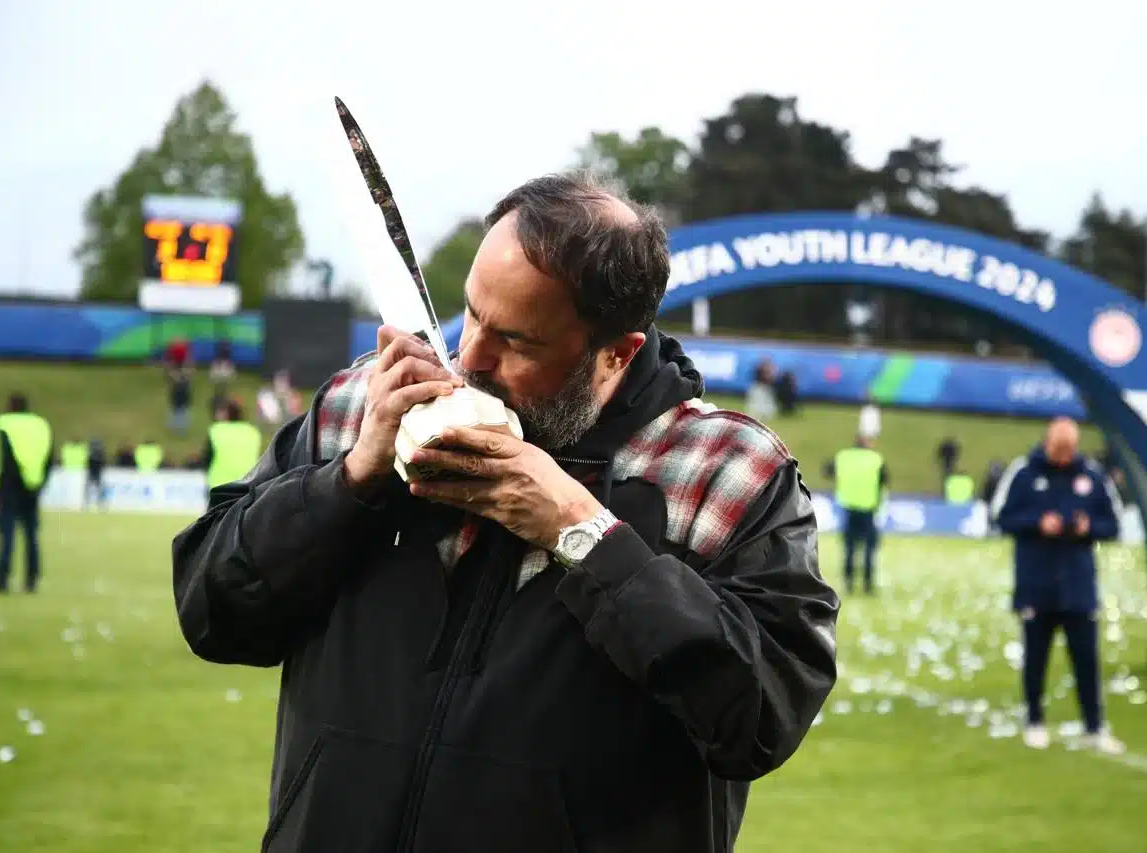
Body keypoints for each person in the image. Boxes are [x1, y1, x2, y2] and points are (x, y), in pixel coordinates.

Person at [172, 173, 839, 853]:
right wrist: (351, 480)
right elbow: (210, 610)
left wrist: (583, 533)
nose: (469, 356)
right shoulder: (363, 404)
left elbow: (760, 717)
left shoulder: (726, 469)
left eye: (517, 341)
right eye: (471, 313)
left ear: (617, 352)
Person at [991, 417, 1126, 754]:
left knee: (1086, 661)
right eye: (1058, 449)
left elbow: (1113, 524)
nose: (1063, 456)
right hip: (1036, 584)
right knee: (1035, 658)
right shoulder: (1024, 473)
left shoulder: (1091, 475)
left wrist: (1087, 527)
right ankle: (1034, 720)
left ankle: (1094, 727)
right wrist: (1037, 524)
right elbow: (1000, 517)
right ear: (1048, 443)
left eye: (1069, 450)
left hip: (1078, 588)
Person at [0, 393, 52, 594]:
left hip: (9, 485)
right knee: (31, 535)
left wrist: (4, 483)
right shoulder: (41, 424)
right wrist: (40, 482)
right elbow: (49, 455)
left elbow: (6, 456)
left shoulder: (3, 423)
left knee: (7, 535)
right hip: (33, 486)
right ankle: (31, 580)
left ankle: (2, 579)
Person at [831, 434, 888, 595]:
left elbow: (828, 470)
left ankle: (848, 583)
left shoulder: (843, 457)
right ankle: (868, 585)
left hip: (848, 508)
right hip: (868, 510)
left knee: (849, 549)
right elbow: (884, 481)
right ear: (868, 443)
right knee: (869, 550)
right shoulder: (875, 459)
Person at [202, 398, 263, 493]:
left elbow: (207, 458)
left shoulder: (216, 430)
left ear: (226, 413)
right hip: (246, 484)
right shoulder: (253, 432)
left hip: (218, 484)